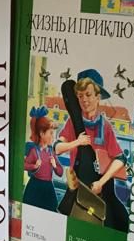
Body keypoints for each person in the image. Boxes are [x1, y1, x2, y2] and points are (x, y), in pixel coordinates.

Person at [55, 69, 129, 232]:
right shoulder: (72, 123)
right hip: (78, 189)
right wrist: (76, 142)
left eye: (88, 95)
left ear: (98, 97)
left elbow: (120, 159)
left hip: (103, 191)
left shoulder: (105, 127)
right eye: (80, 96)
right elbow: (58, 148)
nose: (84, 100)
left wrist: (101, 183)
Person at [22, 106, 64, 211]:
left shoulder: (51, 152)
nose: (53, 137)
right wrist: (34, 166)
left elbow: (60, 172)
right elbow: (24, 165)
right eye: (51, 133)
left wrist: (55, 165)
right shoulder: (34, 151)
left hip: (48, 187)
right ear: (42, 134)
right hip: (34, 187)